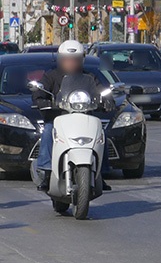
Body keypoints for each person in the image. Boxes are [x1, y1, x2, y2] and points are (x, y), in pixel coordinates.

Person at [34, 41, 111, 194]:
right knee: (48, 131)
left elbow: (102, 91)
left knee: (101, 134)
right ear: (60, 59)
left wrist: (107, 100)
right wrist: (43, 101)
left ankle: (102, 171)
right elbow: (39, 92)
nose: (71, 62)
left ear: (81, 60)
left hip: (84, 119)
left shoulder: (89, 77)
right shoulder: (51, 76)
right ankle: (47, 171)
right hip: (60, 118)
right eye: (67, 59)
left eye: (75, 59)